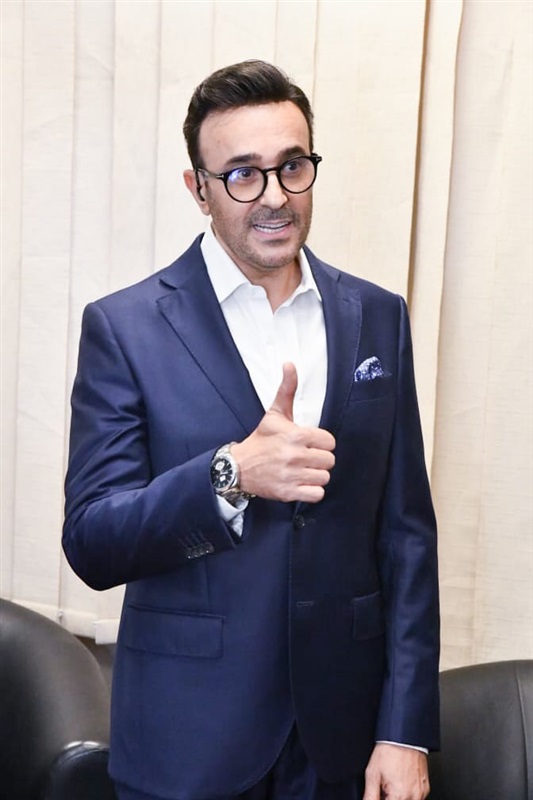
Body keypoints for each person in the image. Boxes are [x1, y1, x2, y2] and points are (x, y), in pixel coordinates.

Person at [63, 60, 439, 800]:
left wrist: (404, 731)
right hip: (189, 741)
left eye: (291, 166)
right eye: (241, 174)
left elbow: (406, 538)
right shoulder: (125, 328)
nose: (273, 195)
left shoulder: (377, 316)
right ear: (198, 188)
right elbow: (93, 541)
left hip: (341, 741)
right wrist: (230, 475)